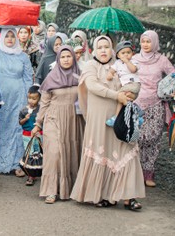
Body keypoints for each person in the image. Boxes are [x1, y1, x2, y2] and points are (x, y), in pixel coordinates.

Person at [70, 36, 145, 211]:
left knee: (126, 151)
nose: (103, 50)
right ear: (94, 50)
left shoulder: (120, 65)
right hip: (98, 119)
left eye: (107, 47)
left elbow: (131, 82)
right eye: (100, 47)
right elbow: (93, 86)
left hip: (119, 116)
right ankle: (103, 195)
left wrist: (129, 95)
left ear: (112, 49)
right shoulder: (90, 66)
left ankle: (128, 197)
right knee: (102, 152)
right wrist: (116, 95)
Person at [32, 46, 83, 204]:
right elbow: (44, 103)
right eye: (63, 57)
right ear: (58, 59)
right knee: (54, 153)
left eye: (69, 56)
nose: (66, 59)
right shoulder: (51, 78)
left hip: (74, 120)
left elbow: (86, 100)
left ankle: (71, 189)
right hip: (54, 119)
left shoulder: (79, 76)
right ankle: (51, 190)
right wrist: (38, 123)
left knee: (71, 152)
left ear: (74, 58)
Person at [0, 25, 34, 176]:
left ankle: (16, 163)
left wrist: (28, 99)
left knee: (16, 128)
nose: (10, 39)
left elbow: (27, 78)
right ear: (2, 37)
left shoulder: (22, 56)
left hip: (18, 96)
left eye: (12, 36)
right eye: (7, 36)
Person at [133, 30, 175, 188]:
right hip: (136, 104)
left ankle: (149, 173)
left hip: (156, 104)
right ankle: (135, 171)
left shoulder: (162, 60)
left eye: (148, 41)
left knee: (153, 139)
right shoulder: (134, 59)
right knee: (136, 138)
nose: (145, 44)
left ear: (154, 42)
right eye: (143, 41)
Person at [106, 41, 141, 127]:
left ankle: (117, 117)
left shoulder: (134, 61)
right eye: (123, 53)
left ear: (132, 53)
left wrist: (127, 61)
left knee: (120, 96)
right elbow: (112, 70)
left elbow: (133, 70)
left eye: (128, 53)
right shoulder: (117, 63)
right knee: (124, 99)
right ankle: (135, 116)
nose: (126, 55)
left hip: (133, 84)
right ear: (118, 55)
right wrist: (110, 74)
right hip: (126, 86)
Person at [19, 87, 41, 186]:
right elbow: (20, 122)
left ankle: (39, 172)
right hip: (27, 135)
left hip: (38, 135)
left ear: (39, 99)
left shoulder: (40, 110)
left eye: (34, 98)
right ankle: (30, 175)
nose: (31, 101)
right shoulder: (24, 110)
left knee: (39, 153)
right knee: (30, 153)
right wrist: (25, 119)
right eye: (29, 98)